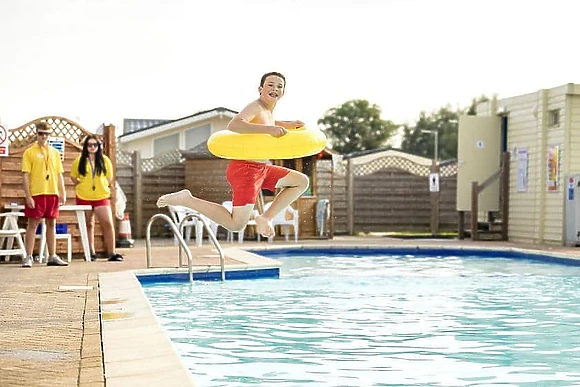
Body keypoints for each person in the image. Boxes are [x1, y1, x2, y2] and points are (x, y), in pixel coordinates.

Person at [157, 71, 310, 238]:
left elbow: (268, 123)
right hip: (246, 170)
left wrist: (288, 124)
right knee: (236, 224)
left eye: (279, 86)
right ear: (260, 88)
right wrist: (270, 129)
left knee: (301, 181)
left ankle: (265, 217)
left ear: (283, 92)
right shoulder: (256, 106)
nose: (275, 89)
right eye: (270, 85)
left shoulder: (267, 110)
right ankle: (187, 200)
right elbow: (234, 124)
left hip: (261, 168)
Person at [21, 122, 68, 267]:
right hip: (37, 192)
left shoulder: (54, 153)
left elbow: (59, 174)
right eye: (41, 133)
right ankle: (28, 256)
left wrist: (62, 192)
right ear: (36, 134)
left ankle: (52, 255)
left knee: (51, 223)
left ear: (50, 135)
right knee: (33, 224)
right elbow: (25, 175)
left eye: (46, 134)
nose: (43, 136)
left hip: (52, 192)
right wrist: (28, 195)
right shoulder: (29, 152)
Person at [70, 136, 123, 261]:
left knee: (108, 223)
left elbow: (109, 178)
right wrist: (82, 184)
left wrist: (102, 186)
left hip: (101, 195)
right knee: (88, 224)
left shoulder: (105, 160)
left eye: (95, 145)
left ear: (99, 146)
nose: (92, 147)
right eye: (89, 145)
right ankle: (90, 252)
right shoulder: (79, 160)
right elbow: (73, 177)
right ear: (85, 147)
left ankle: (112, 252)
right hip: (84, 196)